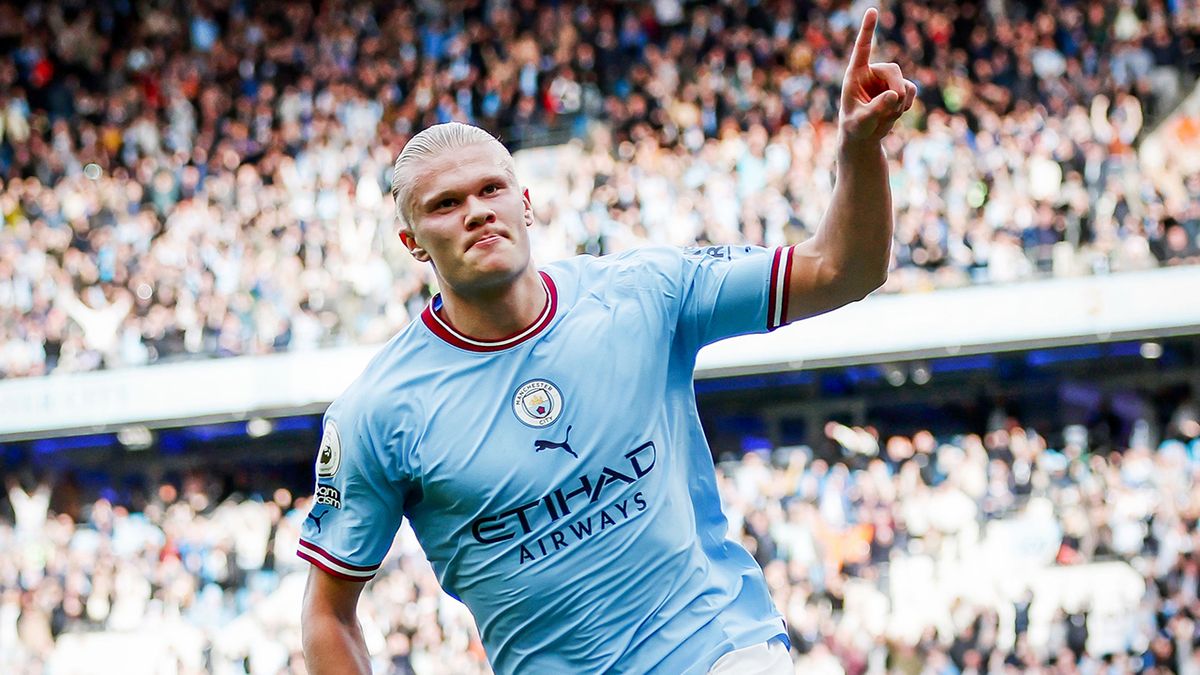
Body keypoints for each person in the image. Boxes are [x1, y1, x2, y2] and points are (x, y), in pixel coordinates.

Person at [298, 8, 916, 674]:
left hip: (719, 648)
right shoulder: (378, 411)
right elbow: (328, 611)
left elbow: (842, 269)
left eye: (491, 189)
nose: (477, 209)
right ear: (411, 241)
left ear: (525, 203)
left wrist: (859, 149)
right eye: (446, 204)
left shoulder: (642, 293)